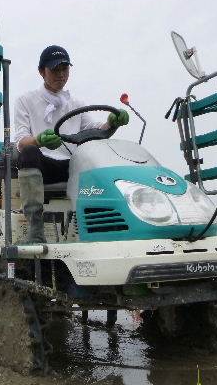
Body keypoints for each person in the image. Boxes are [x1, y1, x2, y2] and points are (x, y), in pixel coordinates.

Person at [12, 45, 129, 243]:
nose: (61, 74)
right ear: (42, 72)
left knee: (97, 157)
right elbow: (21, 141)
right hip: (44, 166)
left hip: (72, 165)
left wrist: (112, 122)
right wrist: (39, 140)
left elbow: (95, 130)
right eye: (55, 70)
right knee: (28, 152)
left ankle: (108, 225)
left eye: (64, 69)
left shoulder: (76, 103)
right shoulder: (25, 101)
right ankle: (35, 229)